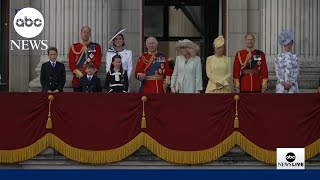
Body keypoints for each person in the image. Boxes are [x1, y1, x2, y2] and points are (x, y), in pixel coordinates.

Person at [69, 26, 102, 92]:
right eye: (84, 32)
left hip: (92, 80)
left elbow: (98, 62)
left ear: (90, 34)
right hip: (78, 79)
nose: (86, 34)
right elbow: (71, 63)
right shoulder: (74, 47)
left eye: (87, 32)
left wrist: (91, 72)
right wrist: (79, 74)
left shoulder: (96, 47)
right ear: (81, 33)